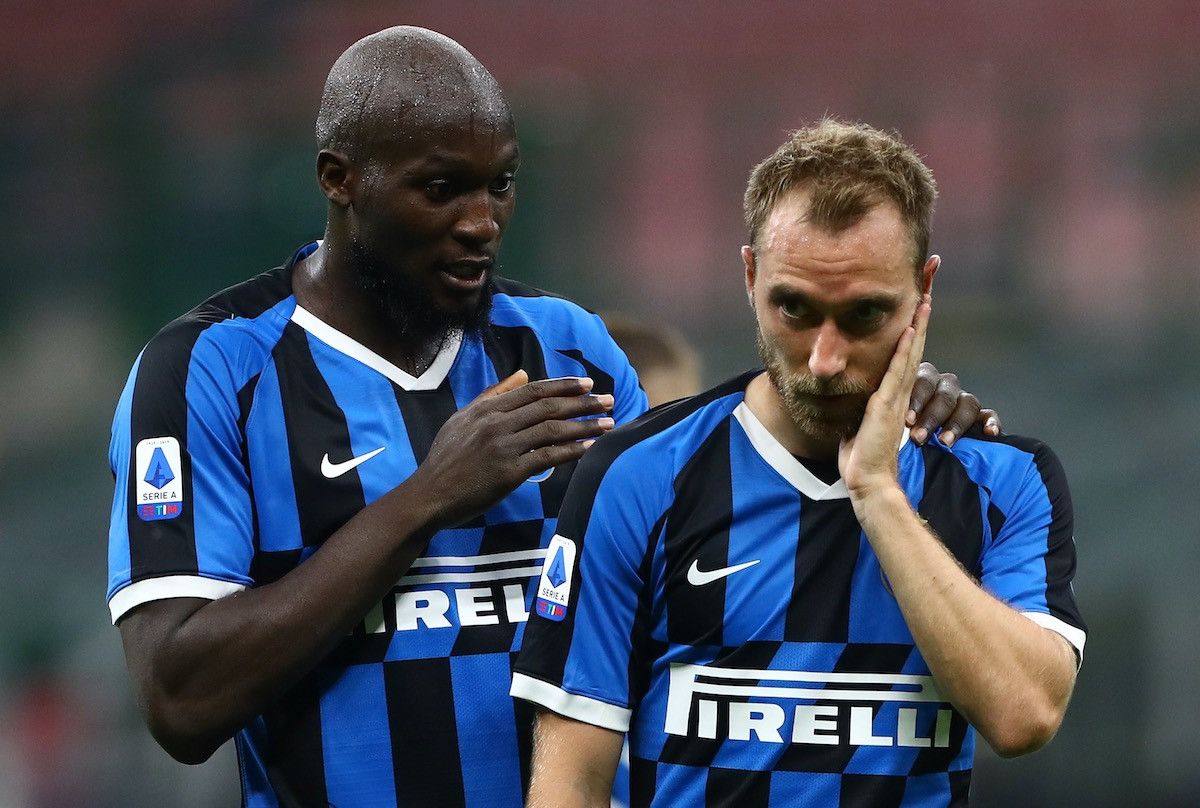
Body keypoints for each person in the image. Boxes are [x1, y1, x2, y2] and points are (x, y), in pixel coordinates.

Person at [105, 25, 998, 806]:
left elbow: (725, 566)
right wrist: (426, 500)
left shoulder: (567, 348)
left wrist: (879, 407)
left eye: (499, 185)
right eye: (441, 189)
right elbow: (182, 698)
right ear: (340, 179)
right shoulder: (210, 372)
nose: (481, 222)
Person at [513, 119, 1085, 807]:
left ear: (923, 289)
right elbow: (570, 784)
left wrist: (877, 492)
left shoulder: (1004, 483)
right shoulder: (637, 476)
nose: (824, 359)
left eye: (865, 314)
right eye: (795, 308)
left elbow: (1023, 715)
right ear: (750, 274)